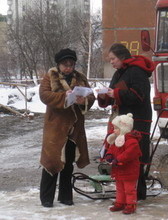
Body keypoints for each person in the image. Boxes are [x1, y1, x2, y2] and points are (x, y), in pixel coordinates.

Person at [97, 43, 155, 200]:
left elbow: (138, 96)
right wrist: (105, 96)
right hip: (122, 122)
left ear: (122, 57)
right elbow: (114, 94)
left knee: (135, 156)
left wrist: (115, 93)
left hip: (137, 120)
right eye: (109, 59)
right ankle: (126, 193)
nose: (111, 62)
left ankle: (137, 193)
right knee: (122, 156)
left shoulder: (136, 71)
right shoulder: (119, 73)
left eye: (113, 58)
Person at [39, 48, 95, 208]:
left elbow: (91, 97)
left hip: (74, 127)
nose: (68, 67)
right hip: (55, 126)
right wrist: (65, 97)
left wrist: (82, 100)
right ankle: (46, 198)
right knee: (51, 161)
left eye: (71, 64)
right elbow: (44, 95)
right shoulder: (50, 76)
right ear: (59, 64)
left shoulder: (80, 78)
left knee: (68, 162)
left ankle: (65, 196)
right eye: (65, 64)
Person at [105, 113, 142, 214]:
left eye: (116, 128)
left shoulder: (132, 141)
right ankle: (120, 202)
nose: (114, 130)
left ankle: (131, 205)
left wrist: (118, 159)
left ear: (123, 128)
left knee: (129, 189)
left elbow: (128, 154)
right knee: (120, 188)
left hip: (129, 170)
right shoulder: (117, 139)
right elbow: (112, 148)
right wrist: (109, 155)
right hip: (119, 170)